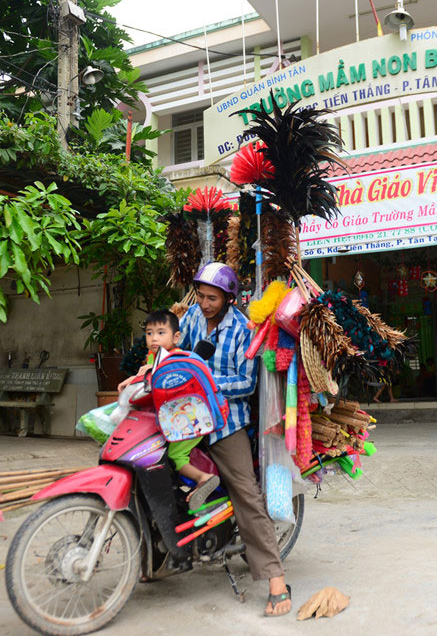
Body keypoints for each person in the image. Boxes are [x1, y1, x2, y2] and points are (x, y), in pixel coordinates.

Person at [178, 262, 291, 617]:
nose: (204, 303)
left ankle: (275, 578)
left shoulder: (243, 329)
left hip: (226, 424)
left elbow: (247, 383)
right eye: (201, 295)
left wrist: (206, 383)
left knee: (246, 492)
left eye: (212, 298)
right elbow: (177, 353)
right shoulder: (192, 318)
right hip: (185, 415)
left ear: (228, 299)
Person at [117, 310, 219, 509]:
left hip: (190, 420)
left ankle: (204, 478)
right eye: (149, 333)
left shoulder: (175, 359)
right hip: (172, 418)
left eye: (161, 333)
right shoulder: (153, 358)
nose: (154, 338)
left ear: (176, 337)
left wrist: (138, 376)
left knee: (174, 455)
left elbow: (153, 376)